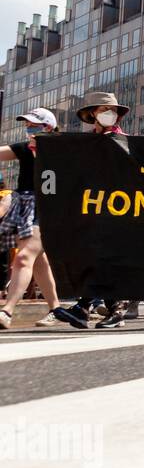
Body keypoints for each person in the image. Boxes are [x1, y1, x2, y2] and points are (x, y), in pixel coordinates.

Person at [54, 93, 134, 329]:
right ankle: (107, 308)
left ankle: (85, 307)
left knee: (102, 257)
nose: (110, 114)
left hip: (118, 210)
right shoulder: (82, 144)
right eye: (103, 109)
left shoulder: (126, 142)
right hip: (89, 210)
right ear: (93, 114)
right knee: (95, 258)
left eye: (113, 110)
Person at [0, 108, 62, 329]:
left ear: (49, 127)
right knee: (37, 262)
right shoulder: (25, 149)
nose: (29, 129)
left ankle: (7, 310)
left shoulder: (62, 151)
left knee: (24, 258)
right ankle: (56, 309)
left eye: (34, 125)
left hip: (47, 210)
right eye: (27, 125)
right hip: (25, 209)